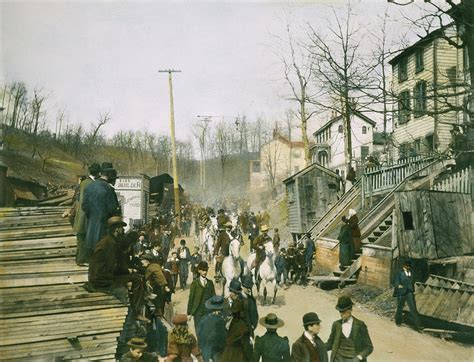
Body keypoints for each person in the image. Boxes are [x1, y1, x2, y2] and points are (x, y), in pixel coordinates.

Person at [87, 216, 147, 322]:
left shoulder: (108, 240)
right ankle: (137, 312)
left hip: (99, 275)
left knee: (135, 276)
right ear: (116, 229)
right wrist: (128, 271)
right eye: (121, 228)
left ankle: (138, 305)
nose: (123, 230)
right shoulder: (111, 244)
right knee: (136, 280)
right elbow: (113, 267)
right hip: (102, 279)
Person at [82, 166, 121, 260]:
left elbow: (84, 207)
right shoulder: (109, 189)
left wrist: (91, 217)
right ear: (109, 178)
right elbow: (112, 209)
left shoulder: (89, 187)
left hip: (91, 226)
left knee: (92, 254)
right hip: (104, 228)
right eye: (114, 180)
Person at [326, 296, 373, 362]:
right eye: (340, 311)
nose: (341, 314)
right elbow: (330, 343)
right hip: (338, 359)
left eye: (343, 311)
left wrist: (359, 357)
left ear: (350, 310)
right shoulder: (336, 325)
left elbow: (369, 347)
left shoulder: (360, 325)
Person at [73, 163, 101, 265]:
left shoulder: (83, 183)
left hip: (81, 213)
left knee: (81, 238)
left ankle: (80, 259)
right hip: (86, 215)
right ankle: (82, 260)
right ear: (98, 173)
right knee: (84, 238)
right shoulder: (92, 184)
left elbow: (76, 197)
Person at [393, 260, 423, 331]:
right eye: (407, 266)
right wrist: (398, 286)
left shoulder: (411, 273)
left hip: (409, 292)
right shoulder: (399, 273)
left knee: (413, 308)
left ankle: (419, 326)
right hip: (401, 292)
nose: (408, 268)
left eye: (409, 266)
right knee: (400, 307)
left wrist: (412, 288)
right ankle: (398, 322)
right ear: (404, 266)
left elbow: (413, 281)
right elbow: (396, 282)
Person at [187, 261, 216, 334]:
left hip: (208, 310)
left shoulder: (210, 283)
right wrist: (189, 313)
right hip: (198, 311)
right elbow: (191, 298)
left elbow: (213, 296)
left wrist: (215, 309)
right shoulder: (195, 283)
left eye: (206, 270)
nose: (205, 272)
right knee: (198, 330)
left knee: (207, 330)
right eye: (203, 270)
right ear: (199, 270)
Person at [198, 296, 228, 362]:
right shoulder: (221, 321)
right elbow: (222, 340)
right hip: (216, 353)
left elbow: (200, 337)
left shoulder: (203, 319)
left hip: (205, 352)